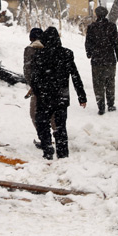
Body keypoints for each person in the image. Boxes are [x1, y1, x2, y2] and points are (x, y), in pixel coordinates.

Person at [30, 27, 87, 160]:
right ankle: (62, 153)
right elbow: (75, 75)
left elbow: (35, 78)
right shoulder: (66, 54)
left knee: (42, 123)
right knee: (61, 126)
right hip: (61, 95)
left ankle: (47, 149)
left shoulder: (39, 55)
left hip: (45, 96)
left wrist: (38, 92)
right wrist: (81, 96)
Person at [85, 6, 118, 115]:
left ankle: (101, 105)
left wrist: (89, 53)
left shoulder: (92, 27)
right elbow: (116, 44)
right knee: (110, 82)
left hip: (97, 61)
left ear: (96, 14)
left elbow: (88, 43)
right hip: (109, 60)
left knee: (98, 83)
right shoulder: (112, 27)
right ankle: (110, 104)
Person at [23, 27, 55, 147]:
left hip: (38, 88)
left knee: (35, 114)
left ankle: (44, 139)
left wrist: (33, 85)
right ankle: (59, 135)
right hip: (53, 87)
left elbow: (28, 71)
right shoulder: (51, 48)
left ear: (31, 38)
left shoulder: (30, 50)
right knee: (52, 114)